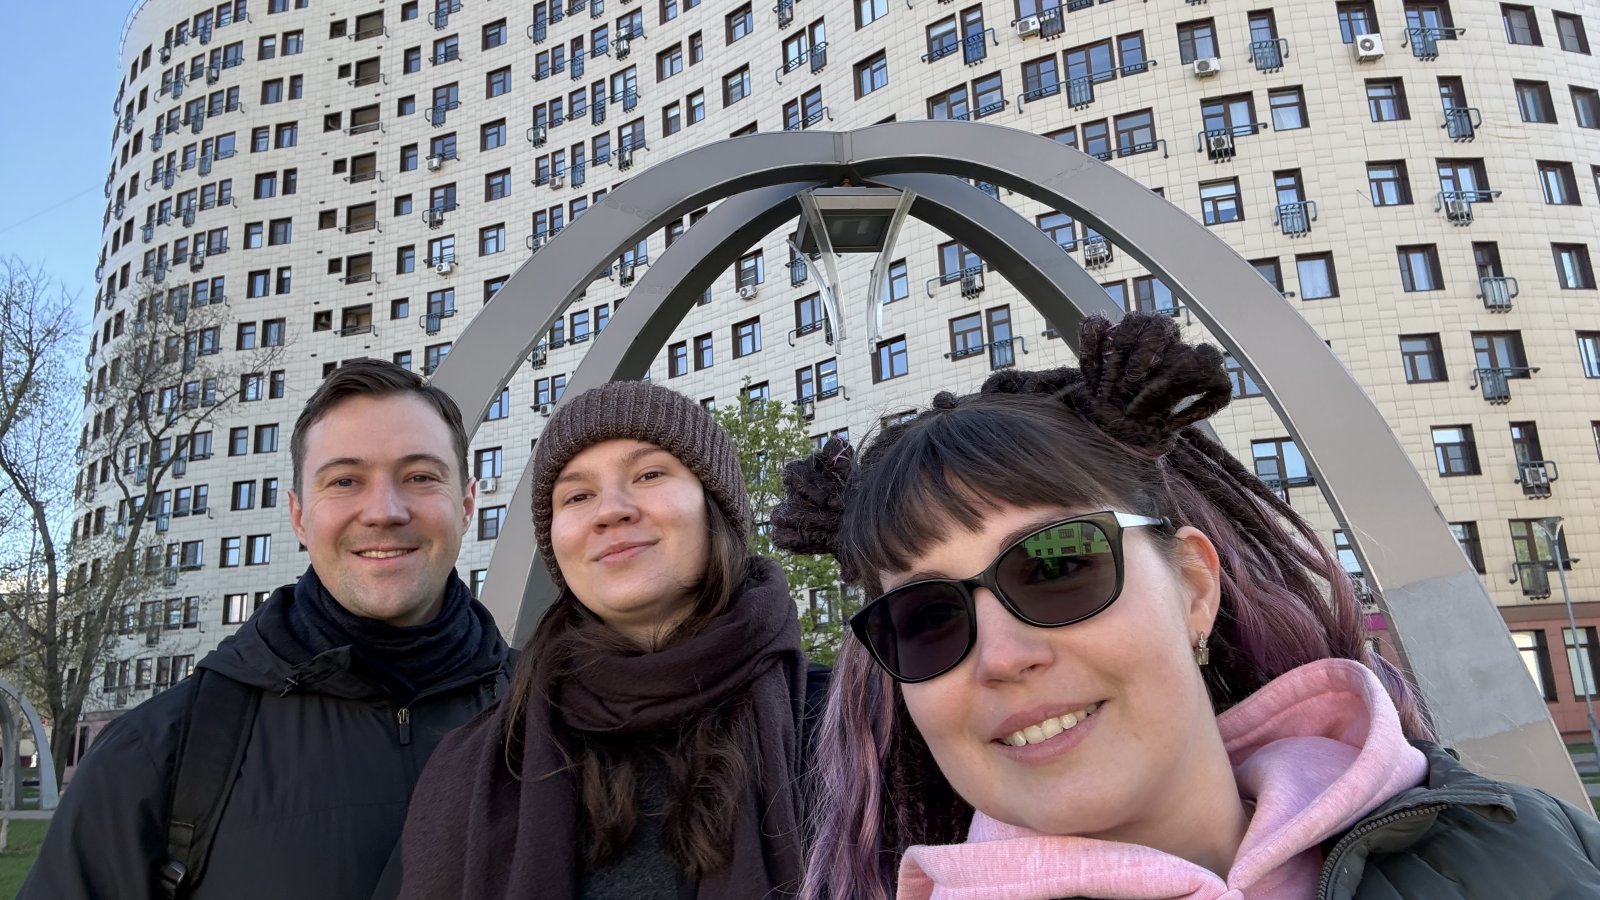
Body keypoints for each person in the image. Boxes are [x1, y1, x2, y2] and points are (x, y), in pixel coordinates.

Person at [775, 313, 1600, 900]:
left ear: (1195, 587)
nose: (1002, 655)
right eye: (926, 618)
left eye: (1057, 565)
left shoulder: (1532, 846)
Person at [20, 359, 514, 900]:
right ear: (298, 517)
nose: (384, 511)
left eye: (420, 477)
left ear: (467, 505)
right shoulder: (156, 754)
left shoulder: (556, 713)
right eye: (345, 481)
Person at [397, 380, 810, 900]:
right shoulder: (475, 766)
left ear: (716, 505)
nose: (611, 510)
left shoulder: (849, 724)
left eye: (650, 474)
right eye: (578, 495)